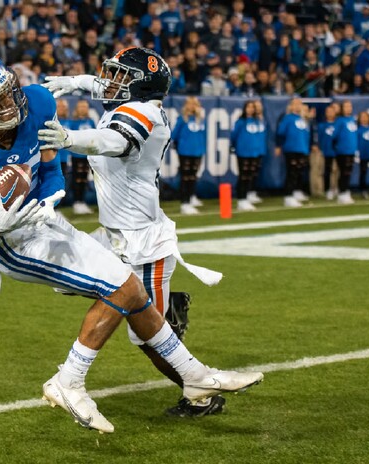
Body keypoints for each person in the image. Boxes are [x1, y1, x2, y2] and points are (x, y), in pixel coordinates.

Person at [39, 47, 261, 419]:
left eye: (121, 75)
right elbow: (103, 86)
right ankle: (167, 323)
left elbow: (115, 142)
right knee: (62, 276)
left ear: (139, 86)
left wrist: (68, 139)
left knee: (146, 337)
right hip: (115, 234)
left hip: (143, 243)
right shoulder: (132, 100)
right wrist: (74, 81)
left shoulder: (143, 113)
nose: (110, 81)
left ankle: (201, 395)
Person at [170, 96, 206, 215]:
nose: (193, 107)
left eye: (195, 104)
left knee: (193, 176)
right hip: (185, 151)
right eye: (190, 104)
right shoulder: (182, 119)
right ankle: (184, 203)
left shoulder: (200, 119)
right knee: (186, 177)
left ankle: (191, 197)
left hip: (198, 151)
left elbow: (202, 136)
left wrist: (202, 148)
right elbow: (174, 135)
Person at [276, 97, 310, 208]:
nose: (297, 106)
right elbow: (280, 132)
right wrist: (279, 145)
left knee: (298, 173)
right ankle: (288, 196)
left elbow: (306, 135)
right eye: (295, 104)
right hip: (291, 149)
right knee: (292, 173)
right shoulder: (288, 118)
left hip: (302, 149)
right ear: (291, 106)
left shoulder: (303, 119)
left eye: (299, 104)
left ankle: (295, 192)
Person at [231, 100, 264, 212]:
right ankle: (241, 199)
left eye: (252, 107)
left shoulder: (257, 121)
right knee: (243, 176)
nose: (250, 109)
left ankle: (246, 196)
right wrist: (234, 147)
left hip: (254, 152)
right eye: (248, 107)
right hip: (243, 152)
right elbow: (233, 136)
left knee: (250, 176)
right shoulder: (240, 121)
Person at [67, 99, 96, 215]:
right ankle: (76, 202)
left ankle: (82, 202)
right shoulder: (73, 122)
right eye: (81, 106)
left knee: (84, 179)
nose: (83, 109)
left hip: (87, 155)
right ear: (77, 109)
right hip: (76, 155)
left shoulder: (91, 121)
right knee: (77, 178)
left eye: (85, 106)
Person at [333, 100, 359, 205]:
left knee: (348, 172)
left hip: (351, 150)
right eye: (346, 106)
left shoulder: (352, 120)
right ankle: (342, 192)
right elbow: (334, 135)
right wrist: (339, 146)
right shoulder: (340, 120)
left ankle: (346, 191)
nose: (349, 108)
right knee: (343, 172)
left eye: (350, 106)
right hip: (342, 151)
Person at [247, 99, 267, 205]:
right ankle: (248, 192)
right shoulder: (251, 120)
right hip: (252, 149)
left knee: (256, 172)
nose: (259, 108)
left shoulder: (262, 119)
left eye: (260, 106)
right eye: (256, 106)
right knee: (249, 172)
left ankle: (253, 191)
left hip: (260, 148)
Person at [318, 104, 338, 200]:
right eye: (328, 111)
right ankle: (328, 190)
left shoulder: (338, 124)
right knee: (327, 171)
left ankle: (337, 188)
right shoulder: (322, 125)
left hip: (338, 151)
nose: (330, 113)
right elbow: (320, 139)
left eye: (331, 111)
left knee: (338, 171)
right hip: (327, 151)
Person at [357, 111, 369, 199]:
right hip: (363, 154)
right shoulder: (357, 129)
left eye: (365, 117)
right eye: (362, 117)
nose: (364, 119)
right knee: (363, 172)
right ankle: (363, 190)